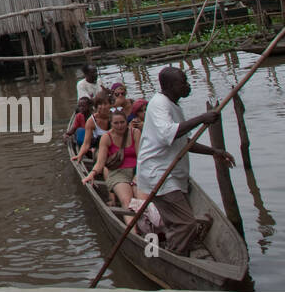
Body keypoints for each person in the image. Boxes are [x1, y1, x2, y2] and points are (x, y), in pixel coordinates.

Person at [135, 66, 236, 255]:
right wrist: (202, 118)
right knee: (186, 224)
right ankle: (176, 255)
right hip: (160, 175)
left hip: (170, 175)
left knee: (178, 223)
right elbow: (169, 134)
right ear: (171, 86)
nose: (188, 86)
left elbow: (183, 142)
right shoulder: (159, 104)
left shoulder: (173, 106)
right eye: (183, 83)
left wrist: (214, 151)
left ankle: (178, 249)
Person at [82, 108, 140, 207]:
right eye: (116, 123)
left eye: (122, 122)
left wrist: (137, 175)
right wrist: (92, 174)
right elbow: (100, 162)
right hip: (119, 173)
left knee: (142, 202)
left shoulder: (135, 132)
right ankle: (131, 222)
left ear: (127, 122)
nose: (120, 126)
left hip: (137, 171)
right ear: (111, 123)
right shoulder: (106, 137)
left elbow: (141, 158)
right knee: (127, 202)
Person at [71, 89, 111, 161]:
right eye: (100, 104)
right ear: (96, 106)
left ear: (110, 105)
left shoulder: (115, 117)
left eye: (105, 104)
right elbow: (86, 143)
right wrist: (79, 155)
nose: (103, 107)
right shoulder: (91, 121)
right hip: (100, 149)